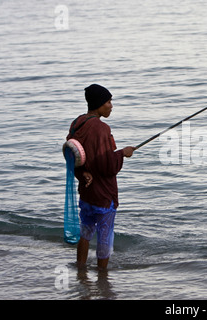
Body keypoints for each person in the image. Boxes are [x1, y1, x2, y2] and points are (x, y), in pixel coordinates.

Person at [66, 84, 136, 270]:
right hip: (103, 194)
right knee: (105, 234)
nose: (111, 106)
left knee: (86, 232)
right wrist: (123, 153)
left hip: (87, 192)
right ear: (98, 104)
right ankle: (103, 275)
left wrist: (82, 173)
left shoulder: (77, 123)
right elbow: (107, 166)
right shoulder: (102, 128)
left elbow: (70, 152)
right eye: (108, 101)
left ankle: (80, 268)